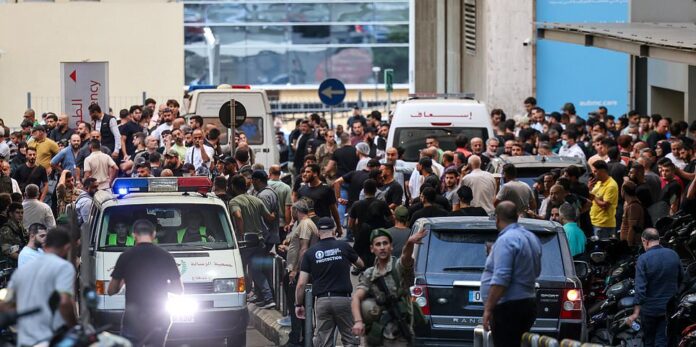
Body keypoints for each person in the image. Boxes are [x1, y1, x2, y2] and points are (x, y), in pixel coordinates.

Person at [107, 219, 182, 347]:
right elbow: (179, 290)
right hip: (159, 317)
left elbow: (111, 290)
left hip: (133, 319)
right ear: (153, 234)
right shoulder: (166, 256)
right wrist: (160, 284)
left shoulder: (126, 256)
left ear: (133, 235)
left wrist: (126, 280)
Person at [351, 227, 428, 346]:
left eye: (385, 243)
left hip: (400, 335)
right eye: (378, 244)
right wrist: (358, 321)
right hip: (376, 336)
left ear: (391, 247)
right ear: (372, 249)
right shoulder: (370, 274)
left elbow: (406, 258)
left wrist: (409, 243)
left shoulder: (398, 268)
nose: (382, 247)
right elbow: (356, 297)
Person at [295, 217, 364, 347]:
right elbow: (360, 264)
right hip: (343, 300)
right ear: (333, 230)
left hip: (322, 302)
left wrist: (298, 304)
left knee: (323, 341)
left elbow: (301, 284)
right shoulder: (343, 246)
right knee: (350, 339)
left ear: (317, 232)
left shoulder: (310, 253)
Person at [481, 201, 542, 347]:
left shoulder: (506, 240)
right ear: (517, 217)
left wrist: (488, 309)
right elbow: (537, 270)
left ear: (497, 219)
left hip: (509, 307)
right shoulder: (531, 237)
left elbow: (502, 278)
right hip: (528, 302)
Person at [8, 227, 77, 347]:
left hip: (24, 340)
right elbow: (64, 302)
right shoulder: (64, 267)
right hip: (51, 339)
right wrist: (74, 327)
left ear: (46, 245)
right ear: (67, 248)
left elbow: (5, 303)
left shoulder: (22, 271)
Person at [626, 228, 682, 347]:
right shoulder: (673, 254)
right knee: (664, 340)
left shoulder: (643, 259)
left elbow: (640, 288)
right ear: (658, 239)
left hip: (650, 310)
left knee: (650, 341)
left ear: (645, 241)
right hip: (670, 309)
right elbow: (682, 278)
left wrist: (635, 313)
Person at [228, 174, 276, 309]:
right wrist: (275, 214)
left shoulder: (234, 202)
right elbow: (269, 217)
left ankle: (242, 296)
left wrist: (240, 233)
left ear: (233, 186)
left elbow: (238, 216)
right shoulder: (256, 200)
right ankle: (268, 298)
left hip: (245, 243)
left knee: (240, 270)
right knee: (256, 271)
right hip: (259, 241)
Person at [280, 200, 316, 347]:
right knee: (297, 308)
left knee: (297, 307)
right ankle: (299, 338)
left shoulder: (306, 224)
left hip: (300, 273)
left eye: (292, 211)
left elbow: (304, 249)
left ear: (296, 211)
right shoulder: (303, 224)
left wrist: (296, 270)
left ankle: (296, 340)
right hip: (299, 270)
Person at [589, 160, 619, 238]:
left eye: (595, 171)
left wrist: (594, 196)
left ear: (603, 171)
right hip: (594, 221)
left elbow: (605, 206)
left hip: (604, 225)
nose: (593, 174)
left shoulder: (611, 185)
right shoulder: (598, 183)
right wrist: (589, 188)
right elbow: (590, 198)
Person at [0, 203, 27, 267]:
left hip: (20, 261)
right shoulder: (6, 229)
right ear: (11, 214)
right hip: (11, 264)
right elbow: (7, 251)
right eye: (17, 212)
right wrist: (24, 259)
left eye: (22, 213)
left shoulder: (19, 226)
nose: (20, 215)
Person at [620, 180, 644, 247]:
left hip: (631, 244)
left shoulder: (633, 206)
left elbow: (632, 228)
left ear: (623, 191)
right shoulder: (629, 204)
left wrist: (629, 244)